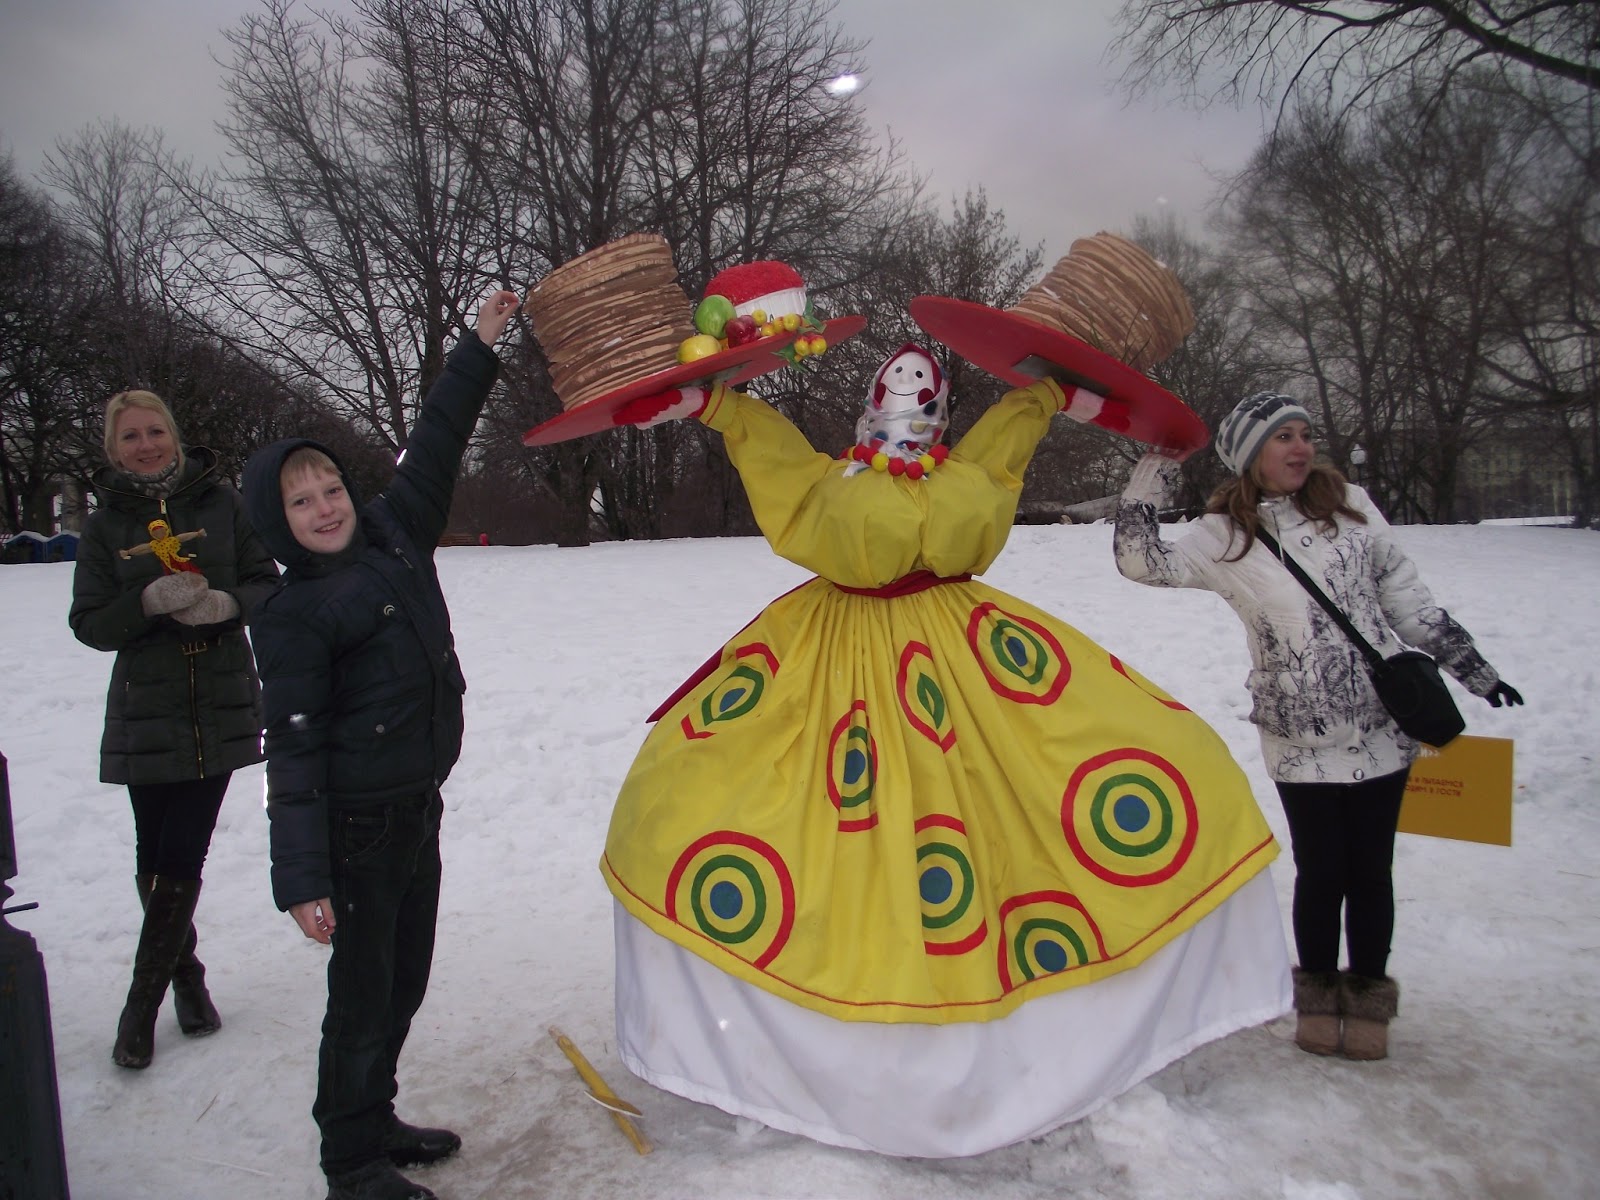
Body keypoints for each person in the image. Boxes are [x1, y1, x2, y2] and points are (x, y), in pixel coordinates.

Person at [591, 348, 1291, 1158]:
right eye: (892, 393)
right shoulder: (832, 484)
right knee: (726, 808)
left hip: (970, 656)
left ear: (945, 409)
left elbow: (1020, 422)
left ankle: (1034, 1034)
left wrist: (1078, 399)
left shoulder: (968, 475)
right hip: (828, 661)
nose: (906, 399)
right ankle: (820, 1051)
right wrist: (708, 405)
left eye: (923, 395)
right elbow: (765, 440)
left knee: (1056, 791)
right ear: (865, 407)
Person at [1114, 391, 1524, 1062]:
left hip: (1378, 726)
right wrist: (1145, 487)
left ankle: (1367, 1003)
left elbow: (1409, 605)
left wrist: (1474, 670)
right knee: (1319, 870)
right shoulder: (1223, 536)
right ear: (1250, 456)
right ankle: (1316, 999)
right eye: (1283, 438)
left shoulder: (1353, 512)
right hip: (1297, 734)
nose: (1301, 447)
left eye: (1305, 434)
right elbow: (1141, 563)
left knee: (1370, 871)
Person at [241, 290, 519, 1200]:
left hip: (414, 806)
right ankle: (349, 1161)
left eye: (328, 490)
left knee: (402, 984)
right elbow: (292, 749)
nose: (323, 508)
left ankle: (375, 1116)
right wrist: (304, 878)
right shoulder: (292, 613)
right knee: (361, 1002)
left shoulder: (396, 528)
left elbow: (437, 436)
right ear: (277, 522)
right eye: (301, 502)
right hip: (356, 828)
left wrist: (478, 345)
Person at [69, 390, 281, 1070]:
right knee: (152, 850)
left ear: (175, 435)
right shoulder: (104, 527)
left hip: (218, 698)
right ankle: (186, 980)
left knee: (183, 850)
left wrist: (224, 605)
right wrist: (144, 601)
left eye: (155, 431)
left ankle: (140, 1008)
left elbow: (266, 584)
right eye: (130, 437)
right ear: (113, 449)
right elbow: (89, 624)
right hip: (145, 703)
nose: (146, 445)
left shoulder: (223, 504)